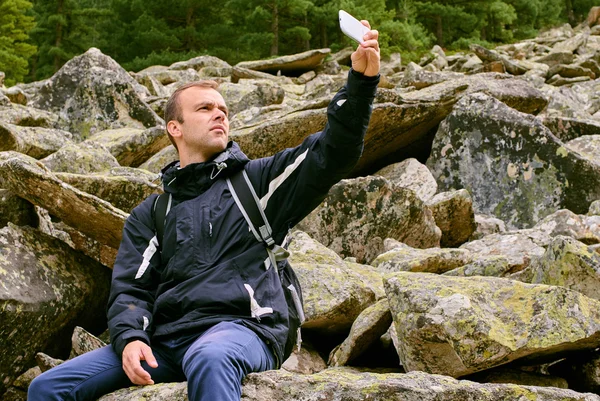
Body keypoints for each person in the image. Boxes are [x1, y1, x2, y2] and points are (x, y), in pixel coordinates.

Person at [28, 21, 380, 401]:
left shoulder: (256, 183)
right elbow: (132, 288)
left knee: (209, 356)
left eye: (223, 109)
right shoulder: (153, 213)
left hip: (245, 330)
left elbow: (332, 153)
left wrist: (360, 83)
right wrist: (130, 339)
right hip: (167, 342)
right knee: (48, 387)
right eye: (205, 108)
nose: (220, 115)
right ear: (174, 128)